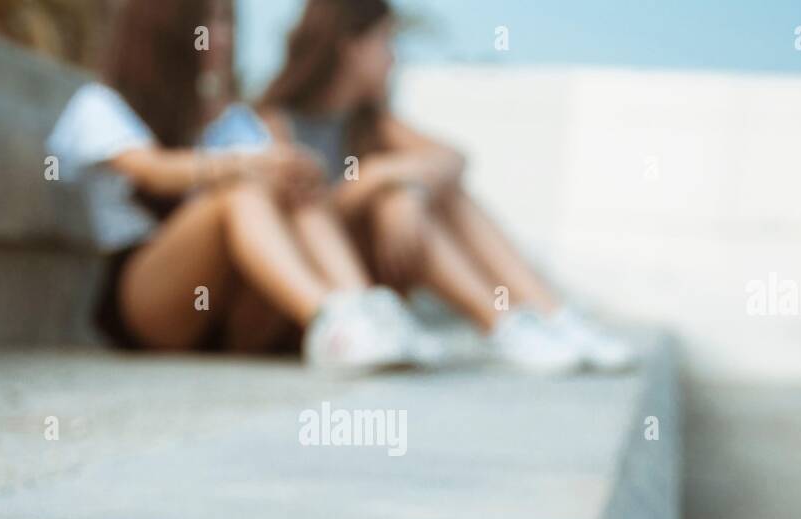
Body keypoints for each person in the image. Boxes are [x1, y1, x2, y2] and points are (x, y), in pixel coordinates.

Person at [47, 0, 440, 370]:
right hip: (145, 297)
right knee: (243, 189)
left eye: (226, 23)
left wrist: (290, 169)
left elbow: (279, 188)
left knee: (290, 185)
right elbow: (151, 170)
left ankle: (362, 308)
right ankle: (329, 320)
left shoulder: (232, 119)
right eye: (210, 22)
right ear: (169, 29)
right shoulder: (101, 104)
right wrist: (245, 164)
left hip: (225, 308)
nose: (222, 37)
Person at [258, 0, 636, 372]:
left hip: (379, 272)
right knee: (395, 196)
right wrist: (378, 181)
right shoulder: (276, 122)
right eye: (386, 41)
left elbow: (454, 158)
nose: (394, 58)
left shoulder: (371, 121)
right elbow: (305, 213)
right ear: (351, 48)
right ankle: (501, 322)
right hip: (325, 291)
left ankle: (551, 315)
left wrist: (407, 188)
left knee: (433, 190)